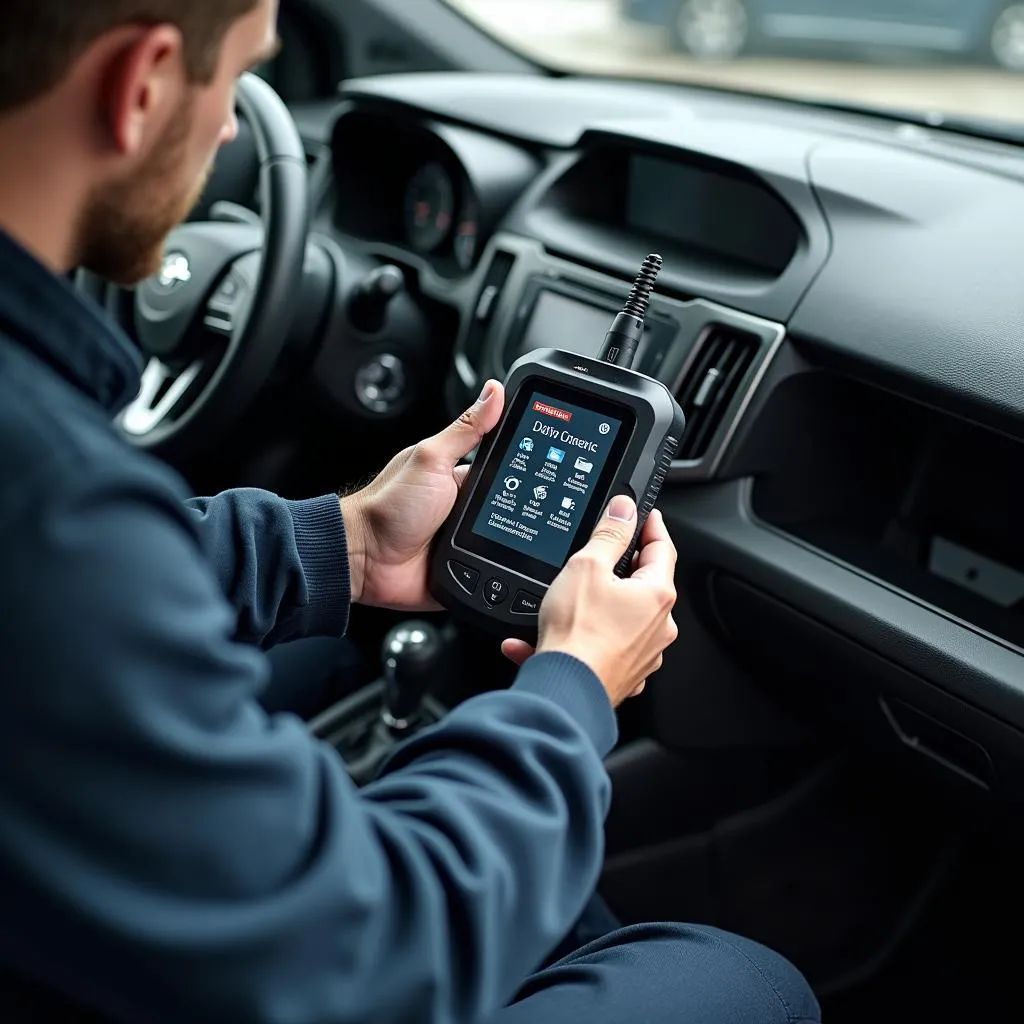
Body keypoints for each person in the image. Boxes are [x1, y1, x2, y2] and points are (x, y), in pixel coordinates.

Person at [0, 0, 822, 1021]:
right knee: (743, 983)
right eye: (238, 83)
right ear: (142, 85)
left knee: (462, 803)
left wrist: (336, 543)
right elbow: (367, 954)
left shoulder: (43, 467)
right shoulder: (55, 495)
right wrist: (569, 693)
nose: (226, 134)